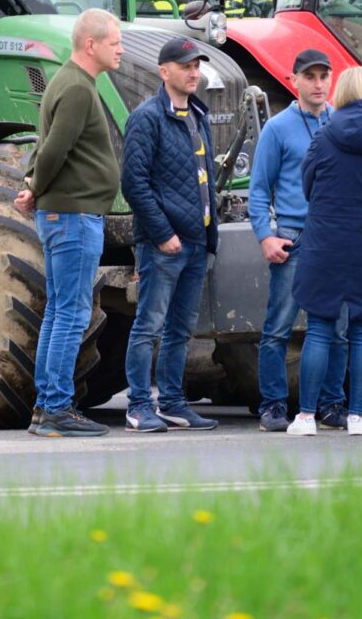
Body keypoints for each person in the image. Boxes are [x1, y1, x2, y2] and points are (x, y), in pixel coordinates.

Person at [15, 8, 124, 437]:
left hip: (67, 214)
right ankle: (57, 408)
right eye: (114, 42)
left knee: (60, 312)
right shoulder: (78, 88)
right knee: (72, 314)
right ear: (90, 44)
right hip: (75, 218)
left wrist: (33, 185)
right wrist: (37, 186)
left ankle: (47, 407)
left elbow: (48, 148)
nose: (120, 49)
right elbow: (56, 148)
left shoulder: (69, 81)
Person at [287, 67, 362, 437]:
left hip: (326, 242)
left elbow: (308, 185)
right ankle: (357, 417)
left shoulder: (324, 137)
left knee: (320, 327)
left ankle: (306, 417)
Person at [120, 36, 220, 433]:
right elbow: (134, 183)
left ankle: (174, 403)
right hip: (165, 245)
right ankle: (138, 405)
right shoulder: (146, 118)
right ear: (164, 72)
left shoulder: (199, 114)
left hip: (197, 244)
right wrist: (163, 234)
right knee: (148, 326)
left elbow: (206, 179)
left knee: (181, 329)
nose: (193, 71)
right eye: (185, 65)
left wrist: (210, 238)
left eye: (196, 65)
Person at [248, 49, 350, 433]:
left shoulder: (340, 123)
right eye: (310, 76)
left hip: (335, 240)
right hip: (292, 238)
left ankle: (330, 403)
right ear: (294, 81)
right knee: (278, 327)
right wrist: (265, 237)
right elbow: (259, 190)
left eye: (325, 75)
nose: (319, 83)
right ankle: (273, 405)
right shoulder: (277, 128)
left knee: (338, 328)